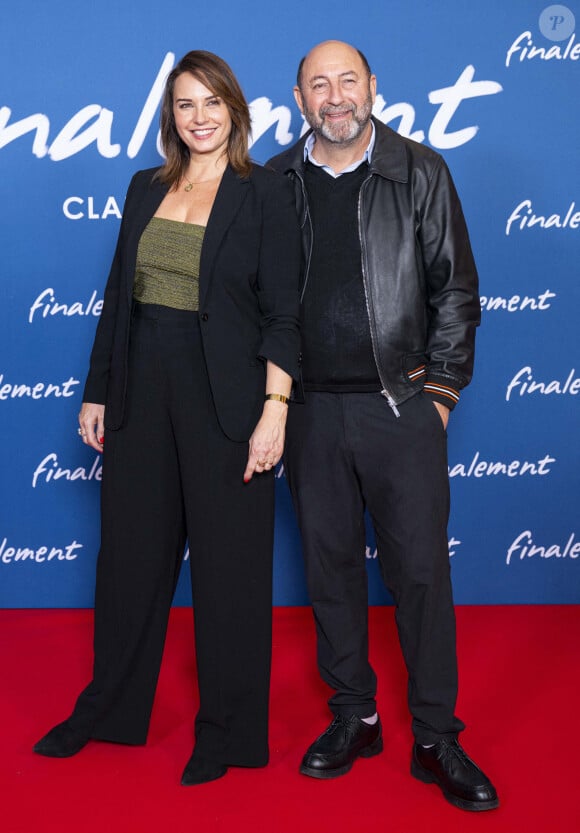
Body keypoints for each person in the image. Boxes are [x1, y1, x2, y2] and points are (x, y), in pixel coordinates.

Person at [33, 50, 301, 787]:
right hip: (141, 382)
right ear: (170, 116)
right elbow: (121, 294)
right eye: (186, 104)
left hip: (228, 395)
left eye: (212, 102)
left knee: (231, 570)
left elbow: (284, 313)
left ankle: (228, 732)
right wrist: (98, 389)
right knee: (127, 560)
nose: (201, 116)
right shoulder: (143, 187)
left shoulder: (266, 192)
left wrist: (275, 410)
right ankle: (109, 709)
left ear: (235, 110)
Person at [268, 40, 498, 811]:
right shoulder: (275, 180)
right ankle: (355, 716)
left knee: (422, 576)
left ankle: (436, 735)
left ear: (373, 87)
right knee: (329, 572)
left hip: (401, 407)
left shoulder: (420, 170)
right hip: (309, 414)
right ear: (298, 99)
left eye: (347, 81)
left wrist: (439, 394)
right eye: (318, 85)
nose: (335, 97)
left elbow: (456, 290)